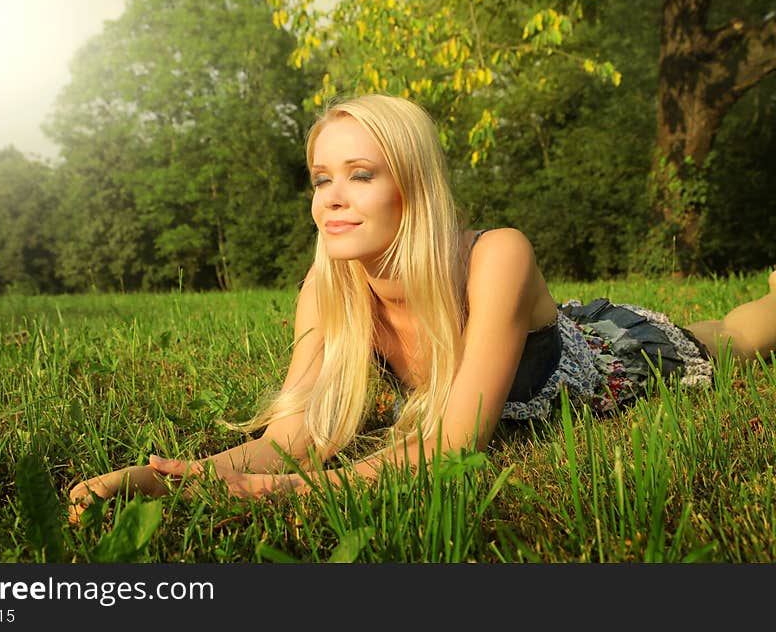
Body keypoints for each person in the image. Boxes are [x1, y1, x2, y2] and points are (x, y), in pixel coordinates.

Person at [67, 94, 776, 524]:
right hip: (533, 348)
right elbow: (294, 439)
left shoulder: (497, 254)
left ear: (412, 186)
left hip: (606, 358)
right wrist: (172, 477)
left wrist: (286, 494)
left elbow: (457, 443)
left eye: (360, 174)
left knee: (734, 336)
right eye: (321, 179)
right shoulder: (330, 290)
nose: (331, 197)